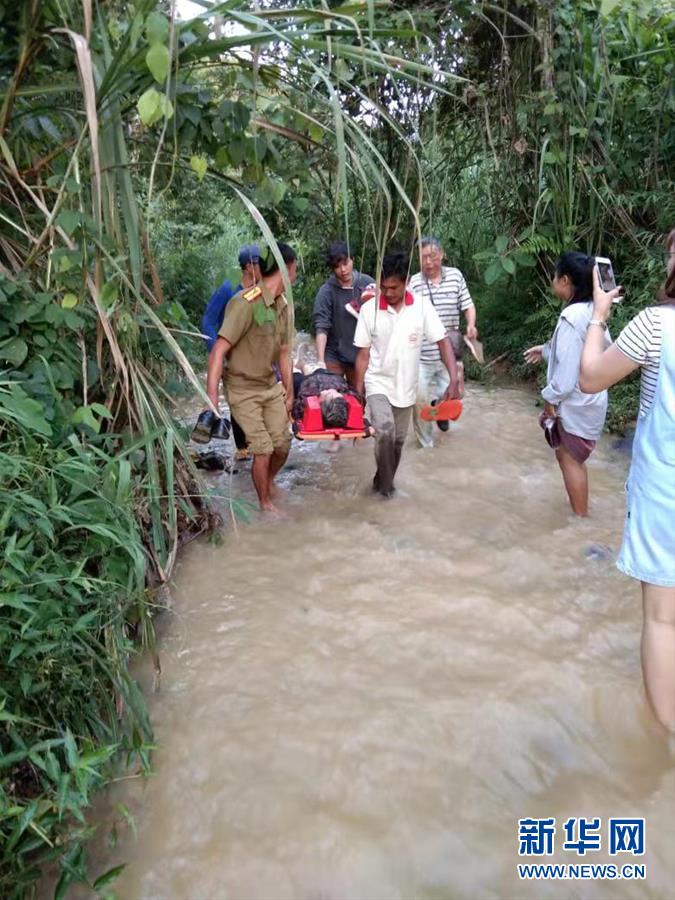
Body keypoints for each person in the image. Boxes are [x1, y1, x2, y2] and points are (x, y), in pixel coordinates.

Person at [579, 230, 675, 732]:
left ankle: (665, 741)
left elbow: (591, 377)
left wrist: (598, 316)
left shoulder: (656, 325)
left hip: (665, 490)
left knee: (663, 617)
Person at [354, 250, 460, 497]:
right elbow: (362, 355)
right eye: (384, 287)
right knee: (385, 431)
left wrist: (454, 378)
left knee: (398, 443)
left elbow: (443, 342)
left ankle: (379, 485)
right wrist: (357, 393)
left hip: (406, 387)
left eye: (394, 287)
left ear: (407, 283)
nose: (388, 293)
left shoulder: (421, 307)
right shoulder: (369, 310)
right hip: (377, 382)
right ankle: (388, 491)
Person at [205, 243, 297, 513]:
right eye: (295, 270)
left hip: (269, 386)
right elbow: (219, 350)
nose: (296, 275)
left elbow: (283, 352)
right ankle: (265, 505)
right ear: (287, 269)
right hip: (242, 388)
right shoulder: (244, 303)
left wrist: (289, 393)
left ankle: (266, 484)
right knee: (263, 448)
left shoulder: (283, 306)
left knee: (282, 443)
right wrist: (212, 399)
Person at [524, 252, 611, 517]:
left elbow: (565, 378)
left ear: (564, 280)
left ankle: (580, 518)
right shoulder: (592, 312)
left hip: (575, 402)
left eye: (554, 275)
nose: (553, 280)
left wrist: (549, 401)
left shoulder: (571, 317)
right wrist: (547, 350)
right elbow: (590, 351)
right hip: (591, 399)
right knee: (572, 459)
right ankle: (579, 510)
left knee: (570, 460)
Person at [409, 237, 477, 447]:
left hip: (450, 353)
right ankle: (426, 445)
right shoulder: (414, 282)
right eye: (423, 258)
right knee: (418, 400)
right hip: (422, 355)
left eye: (432, 256)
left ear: (442, 254)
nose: (428, 262)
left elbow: (468, 305)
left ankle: (440, 410)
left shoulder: (456, 276)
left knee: (455, 394)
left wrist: (471, 324)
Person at [201, 244, 261, 455]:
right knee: (237, 398)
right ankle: (242, 448)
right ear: (248, 267)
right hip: (230, 352)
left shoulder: (260, 290)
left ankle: (257, 443)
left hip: (254, 353)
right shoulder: (228, 288)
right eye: (259, 263)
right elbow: (208, 321)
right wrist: (217, 351)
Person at [313, 241, 374, 385]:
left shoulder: (367, 283)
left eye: (346, 263)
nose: (343, 269)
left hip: (361, 353)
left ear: (353, 259)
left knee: (360, 398)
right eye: (337, 266)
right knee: (332, 394)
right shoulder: (326, 292)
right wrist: (321, 361)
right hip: (334, 355)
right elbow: (322, 327)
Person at [291, 368, 364, 427]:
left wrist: (316, 398)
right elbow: (359, 399)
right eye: (336, 395)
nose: (330, 391)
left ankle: (303, 368)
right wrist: (343, 394)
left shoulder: (310, 397)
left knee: (296, 377)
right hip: (329, 375)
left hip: (308, 380)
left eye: (328, 394)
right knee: (319, 370)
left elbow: (295, 412)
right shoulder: (345, 393)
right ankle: (306, 368)